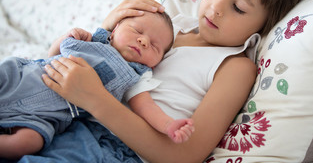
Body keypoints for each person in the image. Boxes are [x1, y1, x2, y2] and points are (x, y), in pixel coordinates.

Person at [24, 0, 313, 163]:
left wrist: (96, 100)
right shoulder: (171, 25)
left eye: (238, 7)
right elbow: (108, 69)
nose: (216, 7)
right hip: (71, 121)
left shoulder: (234, 67)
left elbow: (186, 154)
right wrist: (108, 28)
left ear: (265, 24)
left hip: (114, 150)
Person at [0, 11, 194, 160]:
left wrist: (169, 125)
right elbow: (52, 56)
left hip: (46, 116)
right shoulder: (93, 41)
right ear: (115, 29)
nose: (143, 41)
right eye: (137, 31)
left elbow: (146, 107)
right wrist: (67, 37)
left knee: (28, 143)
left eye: (154, 46)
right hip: (25, 78)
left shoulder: (136, 77)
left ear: (157, 61)